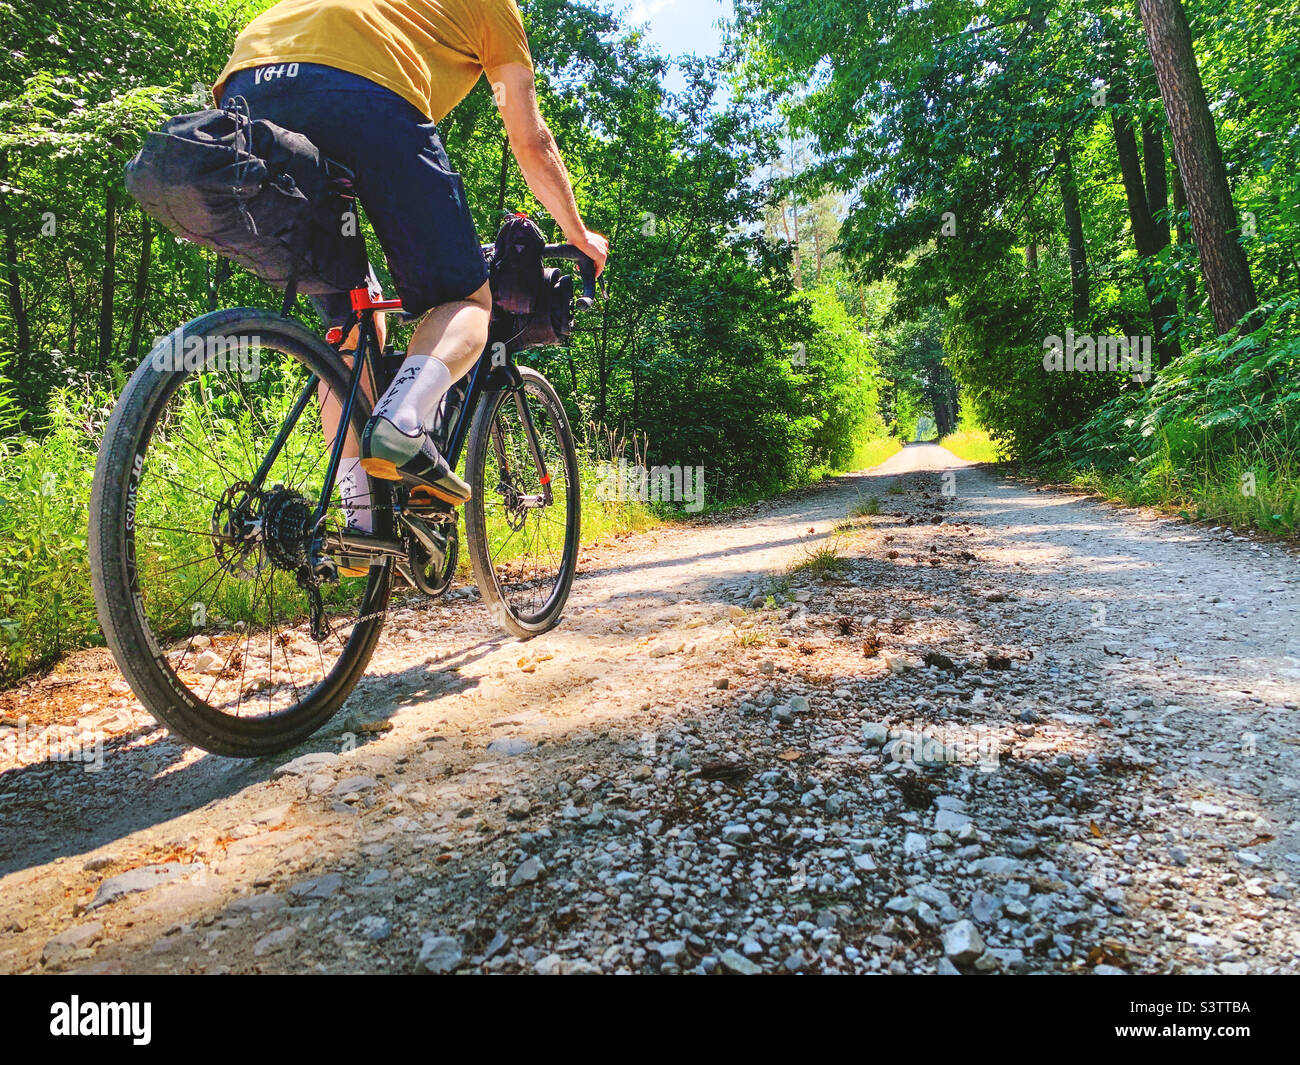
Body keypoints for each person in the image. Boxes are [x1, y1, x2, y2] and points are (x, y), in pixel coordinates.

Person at [213, 0, 607, 520]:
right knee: (465, 299)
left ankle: (360, 520)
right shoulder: (496, 8)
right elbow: (530, 142)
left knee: (349, 332)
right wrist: (577, 234)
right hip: (363, 91)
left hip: (246, 96)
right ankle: (401, 423)